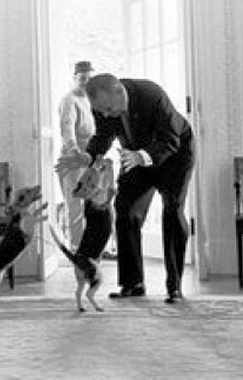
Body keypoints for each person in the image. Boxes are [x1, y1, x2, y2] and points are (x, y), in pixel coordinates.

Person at [55, 73, 194, 304]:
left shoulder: (152, 94)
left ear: (119, 91)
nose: (106, 115)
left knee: (172, 210)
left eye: (108, 108)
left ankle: (175, 287)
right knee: (126, 209)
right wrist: (87, 157)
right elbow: (102, 138)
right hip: (134, 155)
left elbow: (170, 139)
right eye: (102, 112)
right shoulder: (103, 107)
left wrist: (141, 157)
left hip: (176, 155)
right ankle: (133, 284)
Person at [57, 61, 96, 249]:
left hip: (89, 158)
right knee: (76, 206)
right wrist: (75, 153)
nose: (85, 82)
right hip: (72, 160)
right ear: (75, 78)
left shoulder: (91, 100)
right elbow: (67, 130)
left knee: (94, 204)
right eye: (82, 79)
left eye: (89, 79)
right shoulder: (69, 100)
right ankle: (77, 249)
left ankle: (94, 247)